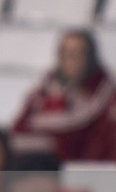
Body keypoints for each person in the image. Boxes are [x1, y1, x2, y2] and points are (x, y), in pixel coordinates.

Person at [11, 31, 116, 162]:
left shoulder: (105, 97)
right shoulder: (42, 94)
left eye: (76, 54)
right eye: (64, 54)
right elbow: (18, 132)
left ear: (89, 57)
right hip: (40, 172)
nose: (69, 60)